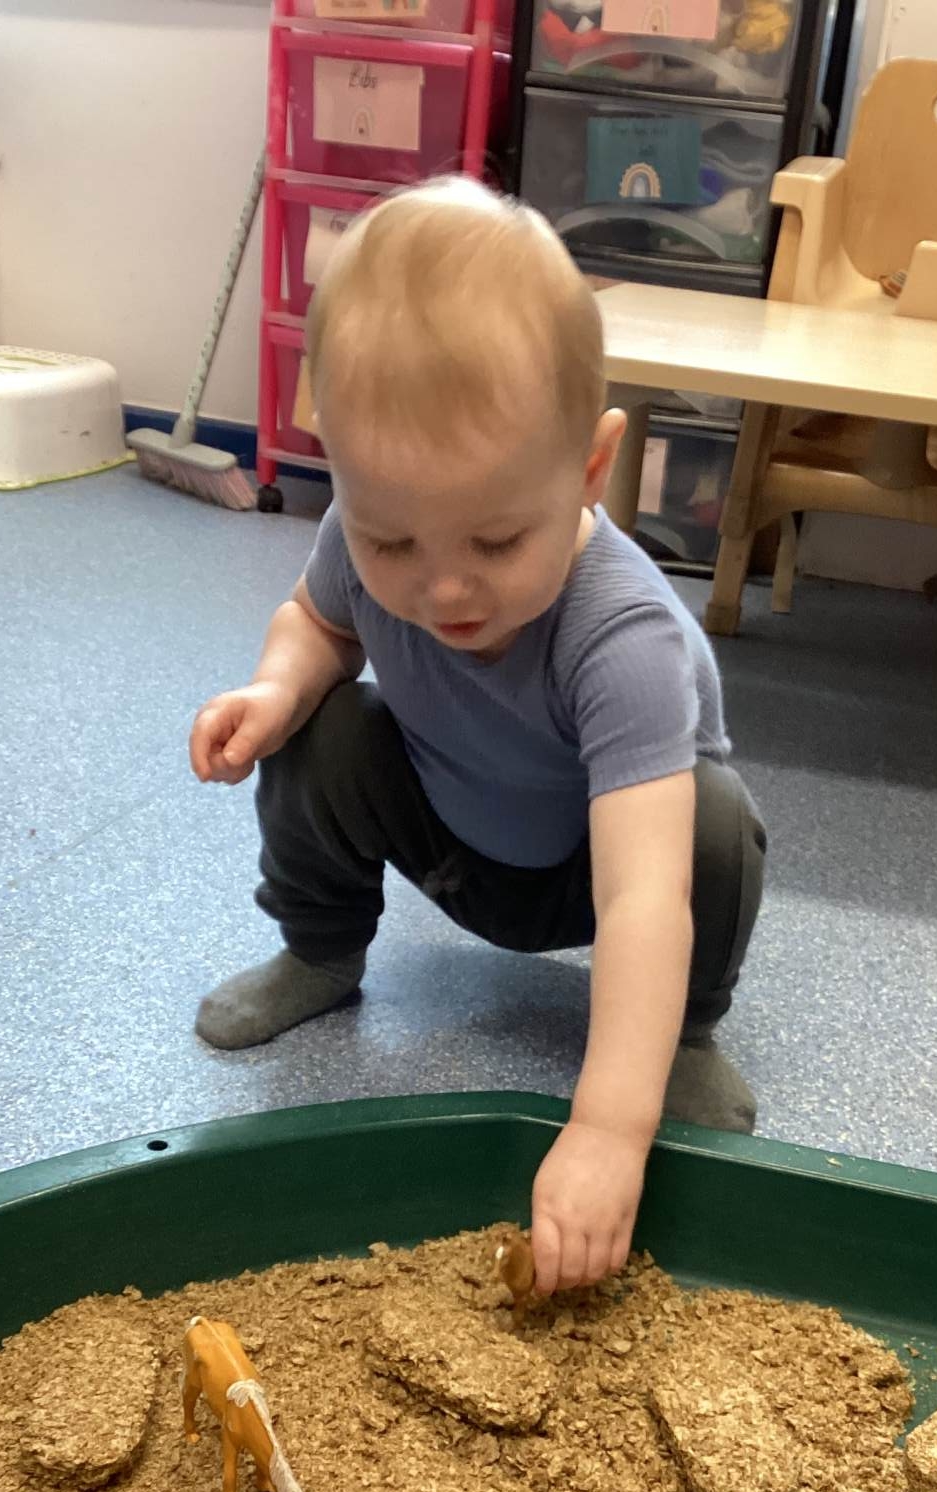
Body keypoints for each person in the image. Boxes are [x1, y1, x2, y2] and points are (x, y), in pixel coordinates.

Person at [189, 178, 765, 1299]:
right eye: (392, 540)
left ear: (591, 468)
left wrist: (608, 1130)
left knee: (712, 823)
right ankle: (320, 952)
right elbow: (317, 619)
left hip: (595, 873)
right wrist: (274, 688)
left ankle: (685, 1035)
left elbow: (644, 896)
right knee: (321, 730)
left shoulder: (624, 639)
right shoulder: (364, 539)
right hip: (451, 843)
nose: (443, 587)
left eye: (496, 541)